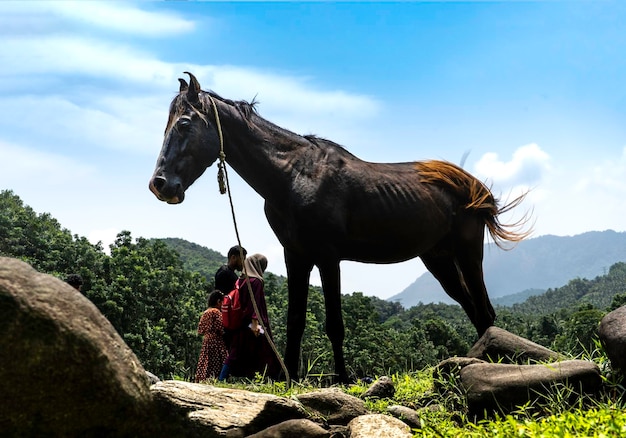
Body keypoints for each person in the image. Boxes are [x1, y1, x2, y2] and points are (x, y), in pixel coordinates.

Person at [219, 253, 279, 380]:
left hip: (241, 323)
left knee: (235, 353)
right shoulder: (256, 282)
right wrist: (255, 324)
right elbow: (255, 304)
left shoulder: (240, 280)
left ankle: (222, 378)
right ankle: (274, 380)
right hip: (252, 324)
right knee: (267, 350)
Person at [195, 290, 228, 382]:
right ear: (218, 301)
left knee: (206, 361)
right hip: (216, 340)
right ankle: (217, 379)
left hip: (207, 340)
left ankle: (202, 379)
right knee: (217, 362)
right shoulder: (216, 312)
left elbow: (200, 330)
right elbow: (221, 328)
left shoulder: (206, 312)